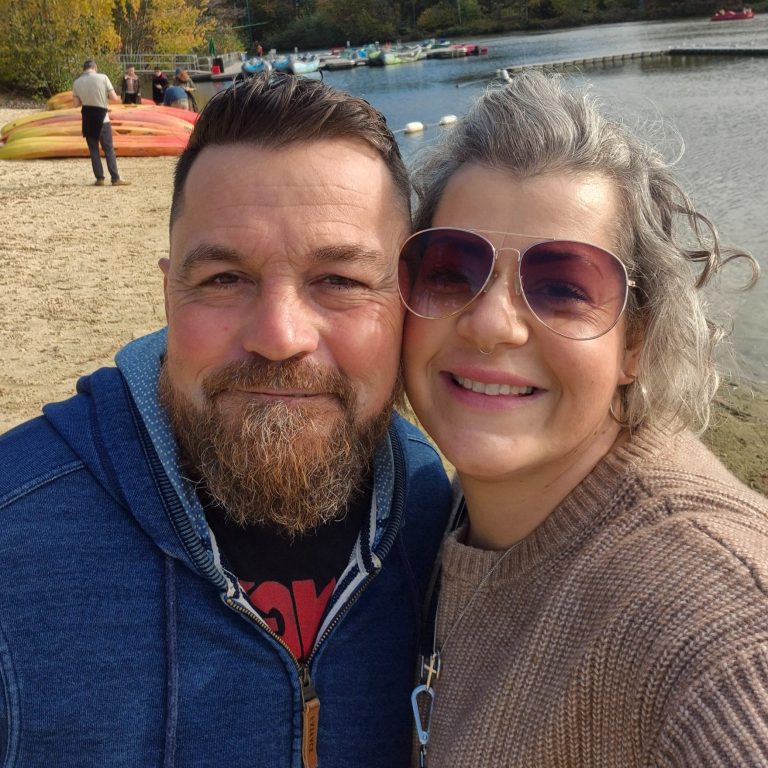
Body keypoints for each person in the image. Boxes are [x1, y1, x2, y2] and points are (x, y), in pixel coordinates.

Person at [0, 73, 451, 767]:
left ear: (406, 302)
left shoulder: (430, 507)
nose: (279, 336)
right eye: (224, 279)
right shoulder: (14, 541)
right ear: (168, 293)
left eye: (340, 281)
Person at [400, 71, 768, 766]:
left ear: (636, 342)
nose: (491, 323)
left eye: (563, 287)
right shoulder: (445, 512)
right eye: (451, 271)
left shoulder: (718, 624)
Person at [71, 58, 130, 187]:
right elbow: (113, 98)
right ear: (95, 67)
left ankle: (100, 178)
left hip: (87, 117)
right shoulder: (103, 78)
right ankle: (115, 178)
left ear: (83, 69)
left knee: (93, 150)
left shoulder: (77, 82)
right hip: (102, 117)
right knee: (108, 149)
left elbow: (76, 104)